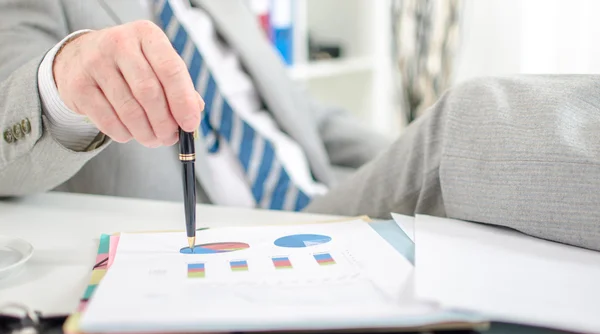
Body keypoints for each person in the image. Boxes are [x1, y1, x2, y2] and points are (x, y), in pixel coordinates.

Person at [0, 0, 598, 252]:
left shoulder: (223, 7)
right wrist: (65, 77)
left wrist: (418, 161)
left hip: (327, 197)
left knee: (481, 130)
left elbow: (305, 115)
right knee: (477, 119)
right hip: (243, 228)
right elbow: (11, 118)